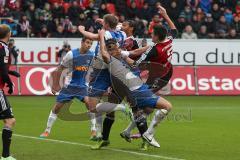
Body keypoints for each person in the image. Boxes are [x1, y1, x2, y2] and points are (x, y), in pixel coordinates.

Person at [92, 29, 172, 149]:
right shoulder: (110, 59)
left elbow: (135, 64)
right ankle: (106, 139)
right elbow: (104, 53)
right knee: (112, 113)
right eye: (113, 49)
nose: (117, 50)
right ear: (109, 51)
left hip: (133, 89)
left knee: (137, 113)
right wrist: (102, 36)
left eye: (118, 47)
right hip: (124, 89)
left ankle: (145, 139)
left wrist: (133, 55)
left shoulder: (122, 56)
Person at [40, 37, 98, 140]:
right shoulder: (71, 54)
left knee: (90, 104)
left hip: (82, 86)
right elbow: (60, 68)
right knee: (57, 107)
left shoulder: (92, 55)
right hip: (69, 86)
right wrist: (55, 85)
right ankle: (47, 131)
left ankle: (93, 130)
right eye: (87, 42)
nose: (89, 45)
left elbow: (95, 70)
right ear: (82, 42)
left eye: (91, 43)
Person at [0, 24, 16, 160]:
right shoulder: (4, 48)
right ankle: (5, 156)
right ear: (8, 34)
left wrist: (10, 71)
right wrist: (10, 83)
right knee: (10, 120)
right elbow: (3, 70)